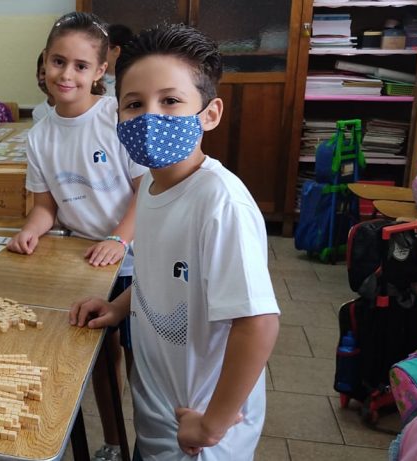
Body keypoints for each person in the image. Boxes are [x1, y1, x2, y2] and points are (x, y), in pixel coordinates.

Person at [70, 23, 280, 460]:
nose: (150, 117)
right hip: (159, 409)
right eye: (134, 104)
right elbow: (157, 273)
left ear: (210, 113)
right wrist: (118, 307)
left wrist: (211, 425)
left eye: (170, 101)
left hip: (203, 429)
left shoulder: (220, 204)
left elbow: (257, 322)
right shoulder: (149, 185)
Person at [5, 12, 146, 461]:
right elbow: (46, 205)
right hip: (82, 261)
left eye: (81, 66)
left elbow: (147, 190)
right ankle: (110, 440)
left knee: (140, 359)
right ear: (44, 62)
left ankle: (144, 439)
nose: (67, 74)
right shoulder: (40, 133)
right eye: (58, 62)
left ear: (101, 71)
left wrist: (120, 240)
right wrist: (30, 230)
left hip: (135, 258)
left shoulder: (116, 118)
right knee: (98, 356)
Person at [103, 24, 134, 97]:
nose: (97, 51)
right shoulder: (94, 76)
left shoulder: (131, 81)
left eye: (103, 46)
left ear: (116, 50)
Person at [32, 51, 55, 123]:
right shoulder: (39, 112)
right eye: (43, 73)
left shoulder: (80, 109)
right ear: (37, 76)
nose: (47, 78)